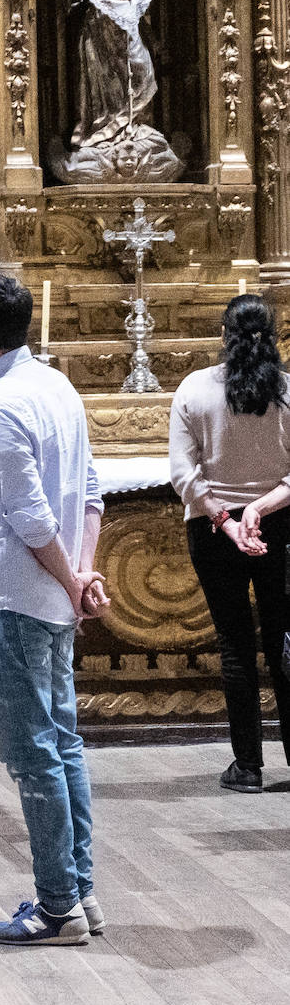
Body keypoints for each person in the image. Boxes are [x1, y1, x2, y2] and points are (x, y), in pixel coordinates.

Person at [0, 268, 107, 946]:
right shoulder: (56, 386)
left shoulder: (2, 405)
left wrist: (71, 579)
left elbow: (26, 515)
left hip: (15, 598)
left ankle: (55, 909)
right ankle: (79, 892)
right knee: (64, 745)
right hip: (53, 596)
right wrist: (80, 574)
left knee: (33, 757)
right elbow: (87, 491)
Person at [169, 294, 290, 792]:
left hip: (214, 531)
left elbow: (182, 473)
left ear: (224, 335)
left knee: (235, 645)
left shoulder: (195, 389)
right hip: (280, 525)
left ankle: (248, 768)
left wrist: (228, 519)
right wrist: (259, 509)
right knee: (283, 640)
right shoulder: (286, 391)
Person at [50, 0, 182, 183]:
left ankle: (137, 132)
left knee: (142, 75)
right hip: (96, 36)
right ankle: (99, 136)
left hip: (129, 33)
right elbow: (67, 0)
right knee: (99, 88)